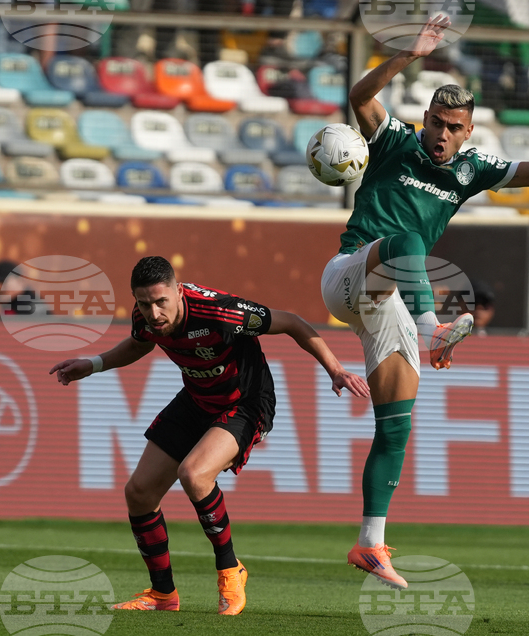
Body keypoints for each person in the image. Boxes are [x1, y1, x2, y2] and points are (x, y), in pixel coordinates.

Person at [320, 14, 529, 589]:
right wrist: (410, 54)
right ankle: (436, 328)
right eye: (435, 121)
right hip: (348, 273)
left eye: (451, 126)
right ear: (426, 118)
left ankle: (370, 544)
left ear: (467, 130)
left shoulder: (471, 168)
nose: (439, 133)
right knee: (409, 241)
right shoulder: (394, 140)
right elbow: (360, 95)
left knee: (396, 424)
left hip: (387, 305)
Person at [50, 256, 368, 614]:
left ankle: (231, 570)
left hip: (246, 402)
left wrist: (336, 369)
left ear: (179, 291)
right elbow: (140, 342)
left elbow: (292, 323)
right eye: (144, 304)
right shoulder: (146, 318)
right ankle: (162, 595)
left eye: (161, 302)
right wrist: (92, 365)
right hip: (198, 399)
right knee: (138, 493)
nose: (154, 313)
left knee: (194, 473)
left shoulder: (223, 313)